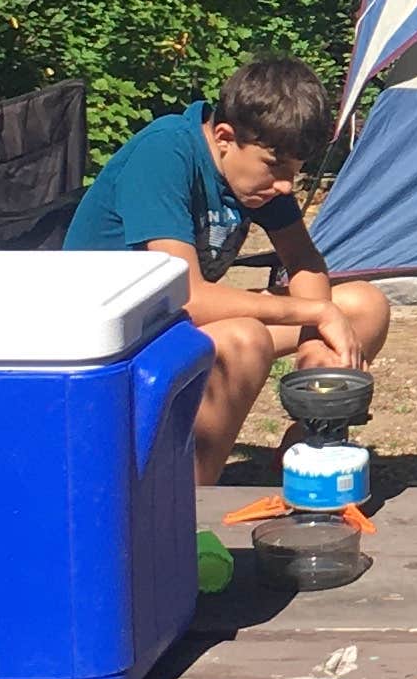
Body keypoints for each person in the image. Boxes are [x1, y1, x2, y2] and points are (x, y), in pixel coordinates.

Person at [65, 52, 390, 471]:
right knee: (243, 340)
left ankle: (308, 447)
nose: (286, 185)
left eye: (296, 171)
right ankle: (194, 511)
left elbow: (304, 261)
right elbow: (188, 297)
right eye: (275, 167)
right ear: (223, 136)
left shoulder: (256, 176)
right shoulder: (165, 153)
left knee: (364, 306)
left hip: (169, 327)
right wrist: (313, 311)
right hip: (112, 345)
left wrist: (314, 343)